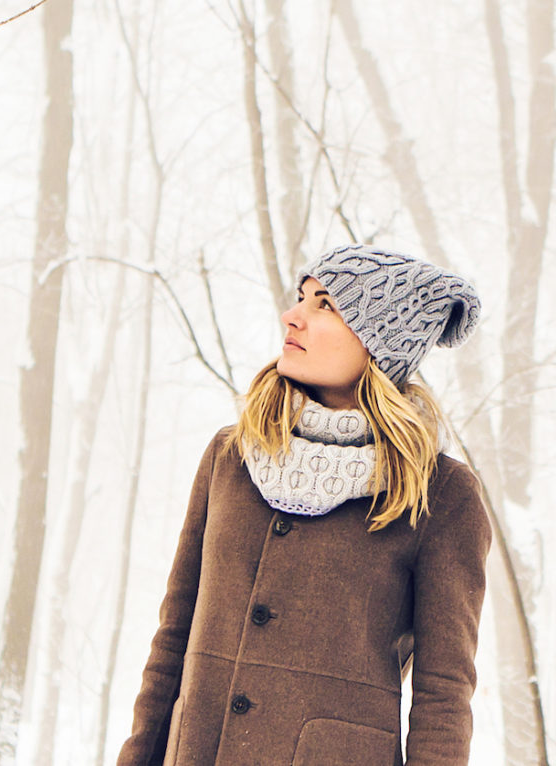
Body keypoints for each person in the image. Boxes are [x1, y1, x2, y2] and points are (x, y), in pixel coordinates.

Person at [118, 243, 491, 766]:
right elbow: (173, 639)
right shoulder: (231, 457)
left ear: (379, 341)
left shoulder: (442, 496)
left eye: (326, 305)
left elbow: (444, 694)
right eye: (301, 297)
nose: (292, 316)